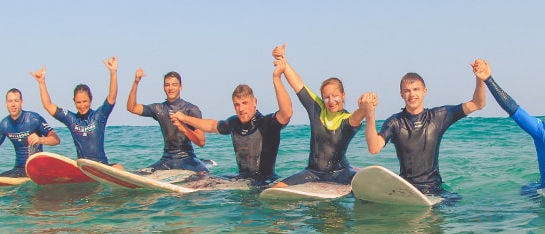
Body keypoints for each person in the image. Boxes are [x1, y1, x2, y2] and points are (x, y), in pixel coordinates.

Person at [359, 60, 487, 196]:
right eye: (407, 91)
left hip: (434, 189)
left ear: (424, 91)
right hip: (407, 189)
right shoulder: (394, 122)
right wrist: (370, 113)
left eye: (416, 89)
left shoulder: (438, 117)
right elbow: (374, 148)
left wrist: (480, 79)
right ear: (401, 94)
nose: (412, 94)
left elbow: (478, 104)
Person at [171, 48, 292, 187]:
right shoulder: (234, 123)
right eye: (237, 105)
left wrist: (276, 78)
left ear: (255, 102)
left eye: (245, 103)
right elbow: (211, 126)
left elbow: (287, 113)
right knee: (196, 180)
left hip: (264, 181)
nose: (241, 109)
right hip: (242, 179)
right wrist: (185, 119)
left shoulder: (267, 124)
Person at [268, 44, 369, 188]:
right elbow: (298, 84)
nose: (331, 101)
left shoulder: (346, 119)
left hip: (340, 174)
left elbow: (357, 117)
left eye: (335, 96)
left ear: (343, 95)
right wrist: (284, 64)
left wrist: (364, 108)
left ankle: (356, 175)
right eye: (326, 97)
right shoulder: (317, 109)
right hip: (313, 172)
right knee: (275, 189)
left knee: (359, 193)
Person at [30, 57, 122, 169]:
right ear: (74, 102)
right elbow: (48, 106)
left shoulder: (99, 116)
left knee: (119, 167)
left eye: (85, 101)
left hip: (102, 166)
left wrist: (113, 72)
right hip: (84, 168)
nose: (82, 105)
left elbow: (112, 97)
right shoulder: (71, 119)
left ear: (91, 100)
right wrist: (41, 83)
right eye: (78, 102)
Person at [126, 68, 209, 174]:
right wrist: (136, 82)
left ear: (180, 87)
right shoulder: (158, 109)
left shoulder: (191, 109)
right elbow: (131, 108)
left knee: (204, 174)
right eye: (167, 85)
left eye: (174, 84)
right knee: (137, 174)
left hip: (187, 158)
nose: (170, 88)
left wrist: (182, 127)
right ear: (164, 87)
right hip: (167, 160)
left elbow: (201, 142)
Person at [0, 88, 61, 177]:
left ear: (21, 103)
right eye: (10, 101)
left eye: (16, 101)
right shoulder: (4, 124)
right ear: (6, 104)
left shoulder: (34, 119)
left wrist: (40, 139)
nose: (13, 104)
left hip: (37, 169)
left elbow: (56, 139)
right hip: (19, 170)